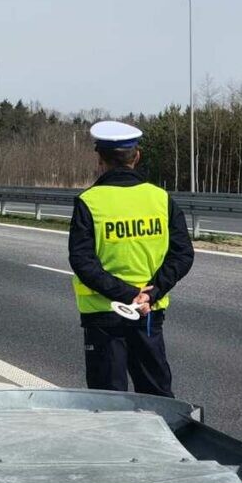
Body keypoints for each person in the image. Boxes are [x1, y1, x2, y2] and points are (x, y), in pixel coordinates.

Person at [67, 120, 194, 397]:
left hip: (103, 317)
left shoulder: (89, 202)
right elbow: (183, 254)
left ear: (100, 159)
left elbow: (82, 261)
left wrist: (126, 294)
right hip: (149, 313)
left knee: (108, 402)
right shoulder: (160, 199)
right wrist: (151, 292)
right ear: (137, 157)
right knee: (157, 398)